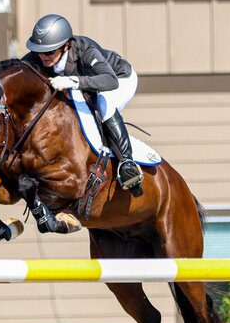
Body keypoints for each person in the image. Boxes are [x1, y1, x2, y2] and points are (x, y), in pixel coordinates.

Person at [22, 13, 142, 193]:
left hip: (119, 78)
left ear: (66, 45)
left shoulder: (85, 50)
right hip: (87, 86)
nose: (43, 57)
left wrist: (74, 82)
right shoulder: (38, 56)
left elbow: (110, 81)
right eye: (39, 52)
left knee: (104, 102)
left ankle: (127, 163)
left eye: (49, 52)